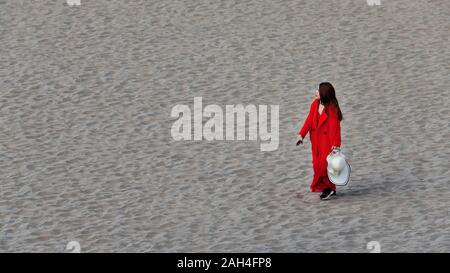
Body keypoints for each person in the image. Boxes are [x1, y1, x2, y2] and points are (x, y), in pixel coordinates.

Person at [297, 82, 343, 200]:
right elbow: (309, 120)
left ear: (324, 93)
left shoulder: (332, 109)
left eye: (317, 90)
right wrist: (301, 134)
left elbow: (335, 128)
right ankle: (324, 187)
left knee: (325, 165)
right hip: (316, 141)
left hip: (327, 143)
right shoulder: (315, 104)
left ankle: (330, 188)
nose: (315, 92)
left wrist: (335, 145)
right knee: (317, 165)